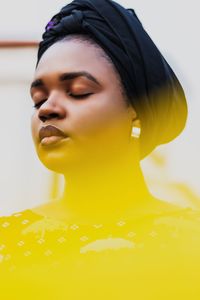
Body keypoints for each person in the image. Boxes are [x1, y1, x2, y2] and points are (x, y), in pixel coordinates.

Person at [1, 0, 200, 299]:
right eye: (38, 98)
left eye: (78, 92)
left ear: (136, 109)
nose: (47, 109)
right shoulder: (7, 244)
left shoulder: (191, 241)